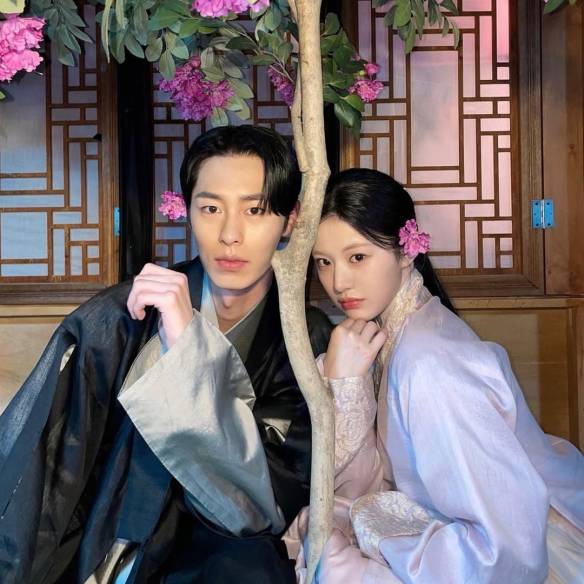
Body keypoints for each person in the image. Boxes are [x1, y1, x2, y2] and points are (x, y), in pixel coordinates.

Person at [0, 125, 332, 584]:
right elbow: (51, 456)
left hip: (223, 550)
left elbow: (265, 501)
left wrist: (187, 349)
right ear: (187, 210)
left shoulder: (303, 336)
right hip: (116, 540)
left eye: (254, 210)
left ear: (290, 220)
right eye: (211, 208)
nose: (230, 234)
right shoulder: (126, 313)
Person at [286, 168, 584, 583]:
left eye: (357, 257)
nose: (338, 282)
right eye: (324, 262)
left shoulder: (431, 363)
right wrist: (345, 385)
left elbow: (502, 548)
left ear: (407, 251)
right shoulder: (387, 332)